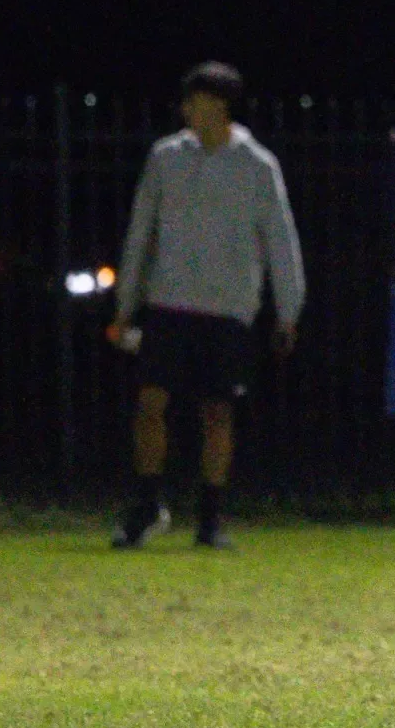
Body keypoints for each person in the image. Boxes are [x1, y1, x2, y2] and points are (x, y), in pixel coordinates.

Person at [110, 62, 304, 550]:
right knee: (150, 402)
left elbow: (281, 239)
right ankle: (149, 505)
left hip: (228, 307)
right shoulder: (166, 157)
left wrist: (288, 310)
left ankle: (210, 518)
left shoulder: (257, 166)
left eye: (194, 100)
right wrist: (126, 302)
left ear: (219, 105)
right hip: (169, 300)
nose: (186, 109)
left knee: (218, 411)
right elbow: (142, 229)